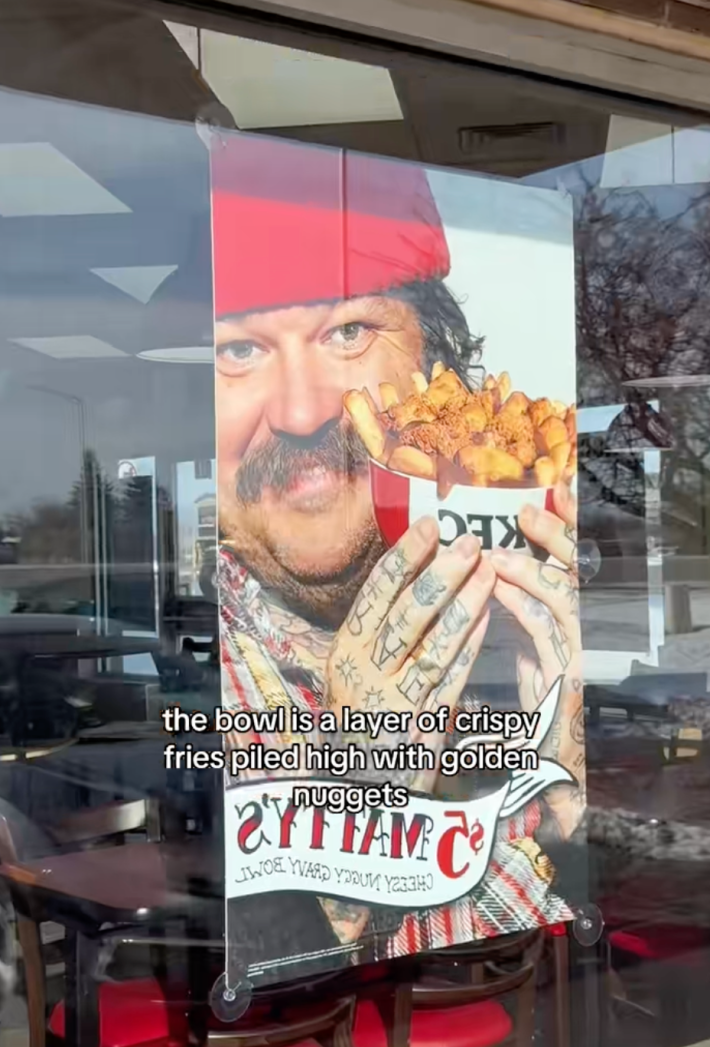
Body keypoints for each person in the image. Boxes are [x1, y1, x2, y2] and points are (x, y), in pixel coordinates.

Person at [212, 131, 584, 970]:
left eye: (349, 332)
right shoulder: (194, 671)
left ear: (436, 368)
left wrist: (568, 775)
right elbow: (243, 977)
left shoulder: (524, 604)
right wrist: (365, 781)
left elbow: (589, 944)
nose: (304, 411)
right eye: (239, 350)